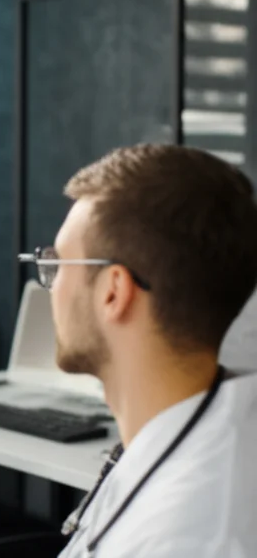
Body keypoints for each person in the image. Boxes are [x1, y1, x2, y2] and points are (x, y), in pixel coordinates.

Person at [20, 144, 257, 557]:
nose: (51, 287)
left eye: (58, 264)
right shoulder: (191, 427)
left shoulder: (191, 537)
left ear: (114, 292)